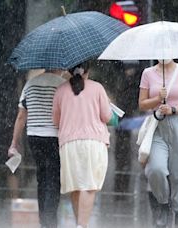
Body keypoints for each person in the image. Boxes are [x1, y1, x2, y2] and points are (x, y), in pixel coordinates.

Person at [52, 61, 112, 228]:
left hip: (69, 144)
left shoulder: (60, 90)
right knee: (89, 184)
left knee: (76, 185)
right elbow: (107, 117)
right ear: (88, 71)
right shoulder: (97, 88)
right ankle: (82, 225)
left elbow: (56, 121)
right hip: (93, 142)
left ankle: (80, 224)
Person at [138, 59, 178, 228]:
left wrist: (173, 109)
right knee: (155, 169)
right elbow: (142, 104)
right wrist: (157, 99)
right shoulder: (148, 73)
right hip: (158, 127)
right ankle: (163, 204)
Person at [8, 69, 66, 228]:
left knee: (42, 176)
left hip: (34, 137)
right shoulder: (62, 85)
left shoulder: (29, 84)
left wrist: (14, 142)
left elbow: (21, 116)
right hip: (54, 137)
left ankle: (43, 220)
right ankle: (50, 221)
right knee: (53, 178)